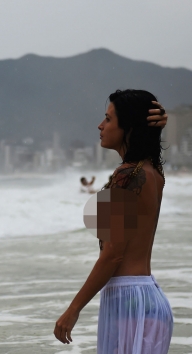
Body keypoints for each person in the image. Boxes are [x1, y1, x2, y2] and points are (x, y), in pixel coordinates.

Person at [54, 90, 173, 353]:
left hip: (127, 300)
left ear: (128, 127)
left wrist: (73, 310)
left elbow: (113, 255)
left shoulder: (126, 175)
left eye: (108, 119)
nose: (100, 125)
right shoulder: (152, 173)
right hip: (149, 298)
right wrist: (152, 123)